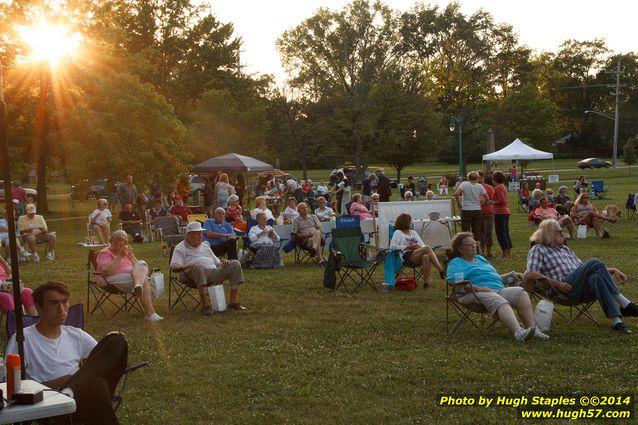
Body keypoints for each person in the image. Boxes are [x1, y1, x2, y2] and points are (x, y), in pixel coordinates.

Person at [6, 281, 129, 425]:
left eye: (65, 302)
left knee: (117, 339)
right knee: (98, 384)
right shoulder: (22, 340)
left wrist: (75, 382)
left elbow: (100, 361)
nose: (61, 309)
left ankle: (70, 390)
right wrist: (59, 383)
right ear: (39, 308)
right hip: (49, 403)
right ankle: (68, 391)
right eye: (53, 303)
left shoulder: (75, 335)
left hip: (82, 398)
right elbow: (9, 386)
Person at [526, 219, 638, 333]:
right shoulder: (538, 249)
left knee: (596, 277)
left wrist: (613, 270)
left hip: (580, 286)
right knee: (594, 261)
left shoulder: (565, 249)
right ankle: (626, 305)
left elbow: (586, 268)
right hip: (565, 288)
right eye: (559, 231)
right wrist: (557, 284)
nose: (562, 233)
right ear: (549, 233)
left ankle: (617, 322)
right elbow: (531, 273)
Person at [446, 232, 545, 342]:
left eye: (474, 243)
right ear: (460, 249)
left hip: (496, 290)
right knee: (499, 300)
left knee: (521, 293)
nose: (474, 246)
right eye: (469, 245)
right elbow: (457, 284)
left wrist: (510, 275)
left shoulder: (480, 258)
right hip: (472, 294)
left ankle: (532, 328)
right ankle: (518, 332)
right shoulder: (456, 263)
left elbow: (494, 278)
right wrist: (480, 288)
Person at [170, 221, 246, 316]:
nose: (201, 236)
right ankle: (206, 305)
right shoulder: (180, 248)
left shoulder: (205, 246)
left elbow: (217, 262)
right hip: (191, 275)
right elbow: (174, 267)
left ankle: (233, 302)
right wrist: (191, 265)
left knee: (235, 263)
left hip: (212, 272)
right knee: (199, 266)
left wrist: (223, 262)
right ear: (189, 235)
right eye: (197, 234)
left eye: (201, 233)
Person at [96, 230, 163, 321]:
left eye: (121, 245)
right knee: (145, 280)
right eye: (115, 244)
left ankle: (138, 285)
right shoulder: (105, 253)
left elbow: (138, 267)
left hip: (129, 277)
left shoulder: (125, 251)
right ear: (110, 242)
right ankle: (150, 313)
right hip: (109, 279)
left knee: (141, 263)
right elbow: (107, 271)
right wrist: (120, 256)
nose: (118, 247)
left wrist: (131, 256)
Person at [390, 213, 445, 288]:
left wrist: (419, 247)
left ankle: (426, 283)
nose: (411, 222)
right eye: (410, 221)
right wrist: (407, 247)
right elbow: (392, 247)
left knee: (426, 256)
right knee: (427, 248)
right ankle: (441, 270)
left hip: (417, 253)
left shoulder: (413, 232)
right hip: (406, 255)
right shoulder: (398, 232)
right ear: (405, 222)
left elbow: (422, 245)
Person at [454, 171, 488, 250]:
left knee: (465, 231)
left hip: (466, 210)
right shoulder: (480, 186)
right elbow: (487, 198)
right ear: (477, 178)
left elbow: (456, 194)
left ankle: (466, 249)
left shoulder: (464, 184)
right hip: (477, 210)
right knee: (477, 231)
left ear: (468, 178)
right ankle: (477, 250)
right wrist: (480, 205)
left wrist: (459, 204)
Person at [491, 171, 512, 260]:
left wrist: (493, 202)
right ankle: (509, 254)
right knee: (505, 233)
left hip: (500, 213)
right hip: (505, 212)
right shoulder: (503, 186)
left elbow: (502, 201)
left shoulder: (498, 187)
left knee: (501, 233)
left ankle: (505, 255)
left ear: (494, 179)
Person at [478, 171, 495, 258]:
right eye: (478, 178)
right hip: (477, 213)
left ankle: (489, 251)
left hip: (488, 213)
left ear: (483, 178)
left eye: (481, 178)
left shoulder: (489, 188)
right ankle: (482, 251)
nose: (479, 180)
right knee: (480, 233)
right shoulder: (473, 188)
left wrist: (483, 202)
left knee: (488, 232)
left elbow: (491, 200)